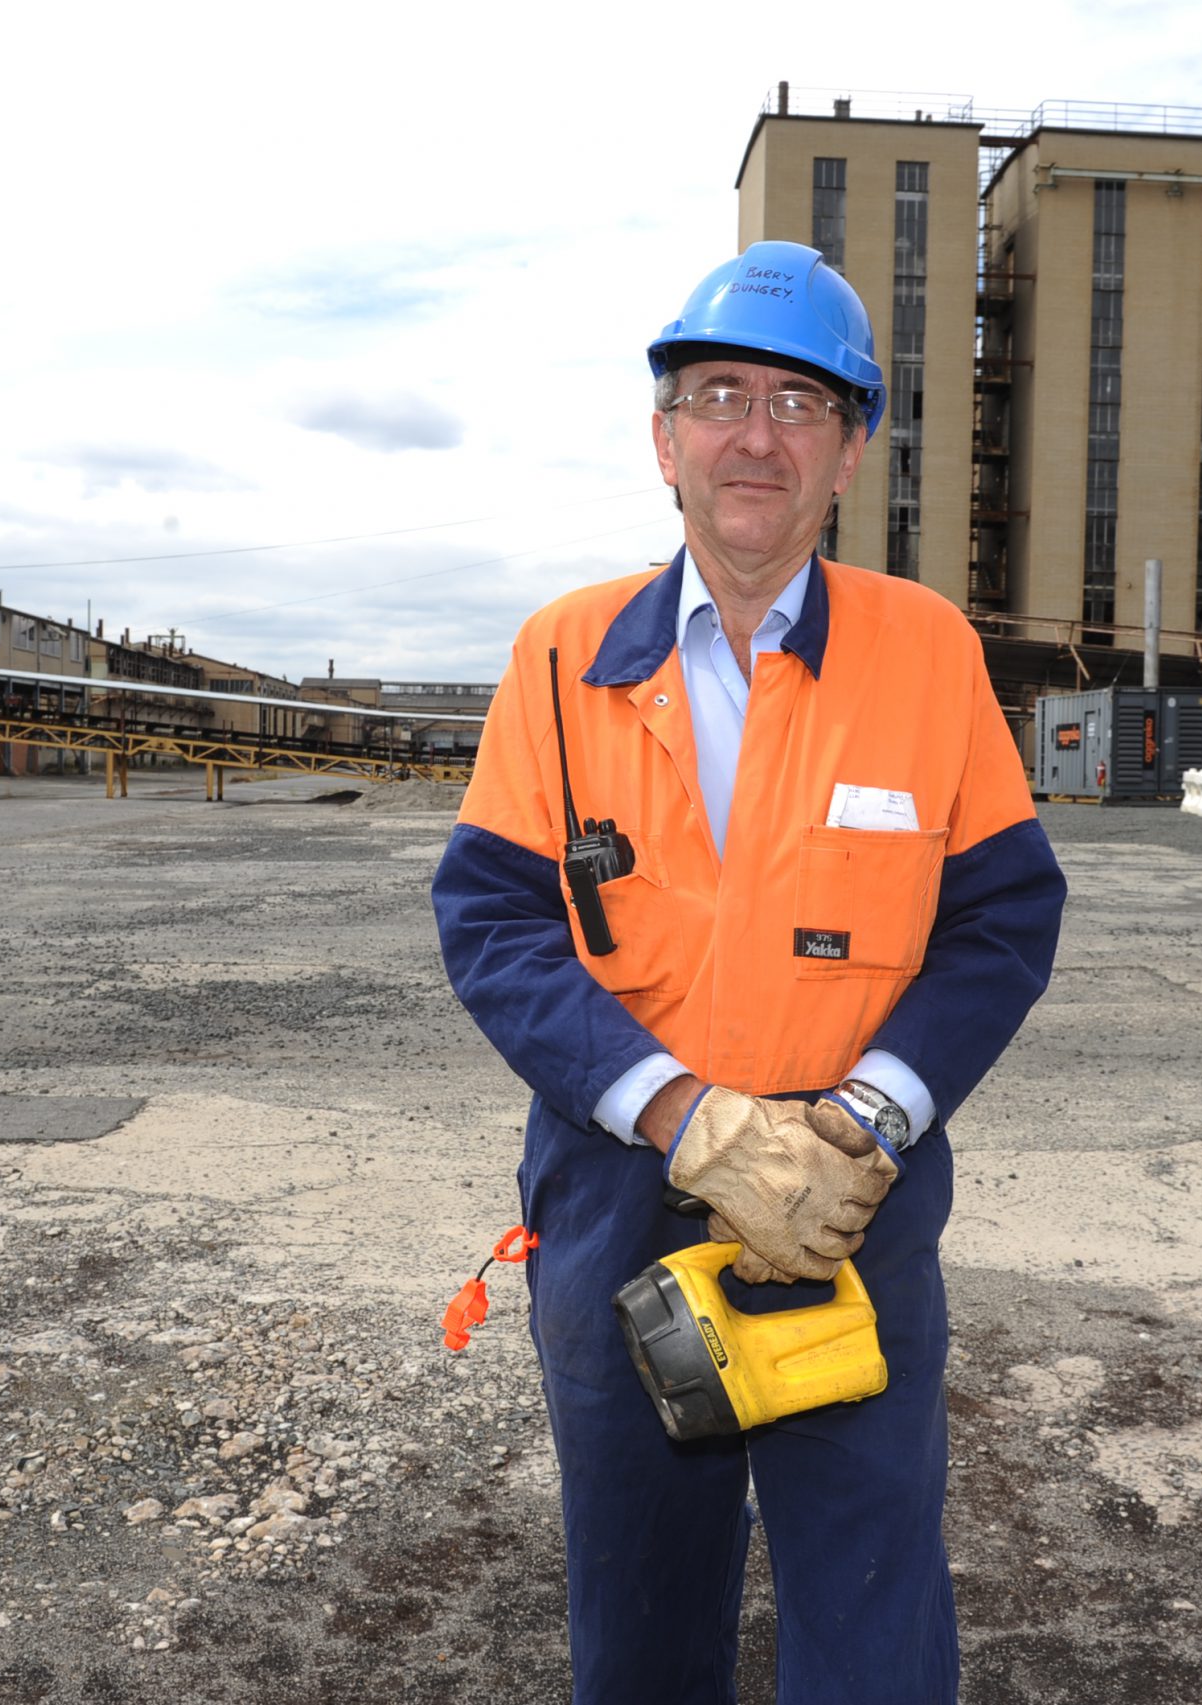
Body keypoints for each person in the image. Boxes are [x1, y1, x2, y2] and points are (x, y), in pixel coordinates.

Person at [431, 240, 1065, 1704]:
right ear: (665, 440)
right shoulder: (561, 659)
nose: (756, 435)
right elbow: (495, 922)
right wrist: (682, 1117)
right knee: (642, 1618)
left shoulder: (926, 653)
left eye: (798, 403)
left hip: (851, 1206)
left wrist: (868, 1119)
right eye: (718, 395)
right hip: (620, 1206)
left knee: (871, 1617)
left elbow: (1003, 919)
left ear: (851, 450)